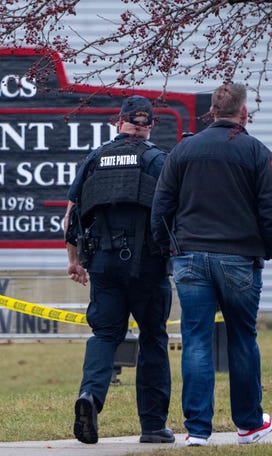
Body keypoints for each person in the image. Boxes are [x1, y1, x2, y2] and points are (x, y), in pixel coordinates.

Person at [151, 82, 272, 446]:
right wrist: (265, 250)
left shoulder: (183, 150)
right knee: (241, 338)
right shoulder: (256, 152)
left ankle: (198, 431)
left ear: (211, 113)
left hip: (189, 258)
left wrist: (169, 248)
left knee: (197, 341)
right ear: (243, 113)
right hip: (239, 258)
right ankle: (250, 425)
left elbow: (162, 207)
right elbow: (268, 210)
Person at [64, 95, 174, 445]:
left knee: (105, 335)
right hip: (148, 264)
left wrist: (73, 260)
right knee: (153, 337)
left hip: (104, 264)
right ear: (150, 125)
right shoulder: (158, 161)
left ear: (119, 121)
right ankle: (154, 427)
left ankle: (90, 397)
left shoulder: (94, 159)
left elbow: (72, 216)